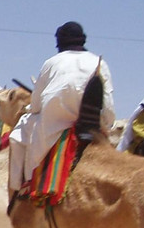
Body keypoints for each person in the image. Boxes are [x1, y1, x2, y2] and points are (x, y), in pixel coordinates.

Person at [7, 21, 115, 193]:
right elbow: (108, 104)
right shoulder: (99, 62)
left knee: (17, 135)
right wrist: (107, 125)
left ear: (60, 42)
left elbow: (35, 106)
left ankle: (21, 188)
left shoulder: (51, 63)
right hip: (94, 128)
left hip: (53, 130)